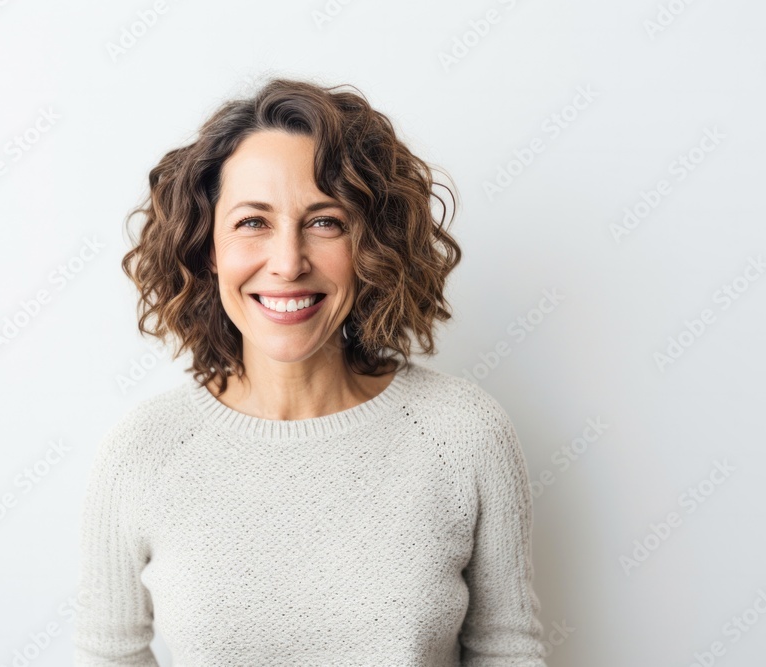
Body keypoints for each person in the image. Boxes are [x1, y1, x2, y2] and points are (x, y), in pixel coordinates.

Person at [74, 77, 548, 666]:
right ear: (207, 247)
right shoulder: (143, 451)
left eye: (325, 221)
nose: (288, 262)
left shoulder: (464, 435)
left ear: (373, 244)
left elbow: (506, 649)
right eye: (253, 222)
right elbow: (108, 654)